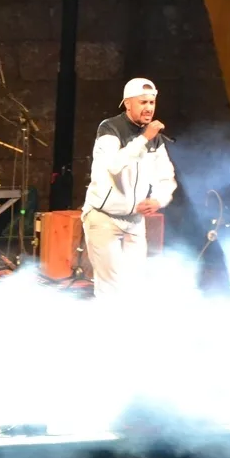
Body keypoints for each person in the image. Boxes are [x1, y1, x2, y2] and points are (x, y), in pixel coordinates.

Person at [81, 77, 177, 298]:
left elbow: (166, 175)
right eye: (143, 102)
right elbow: (114, 165)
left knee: (134, 285)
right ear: (127, 103)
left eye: (152, 102)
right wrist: (144, 138)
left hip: (134, 221)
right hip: (104, 218)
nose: (149, 108)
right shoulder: (109, 129)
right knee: (110, 288)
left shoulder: (155, 139)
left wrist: (159, 199)